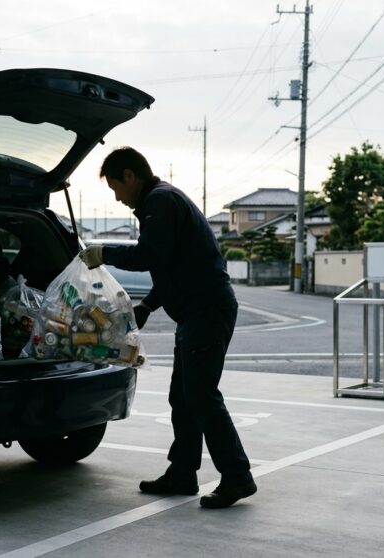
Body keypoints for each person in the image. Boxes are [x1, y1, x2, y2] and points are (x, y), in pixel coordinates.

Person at [79, 146, 256, 509]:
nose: (117, 198)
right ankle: (182, 472)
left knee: (201, 395)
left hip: (206, 311)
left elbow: (150, 256)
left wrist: (104, 252)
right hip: (197, 311)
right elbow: (176, 265)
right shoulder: (162, 200)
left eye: (115, 188)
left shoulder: (159, 202)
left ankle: (237, 476)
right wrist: (147, 305)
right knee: (184, 395)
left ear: (130, 176)